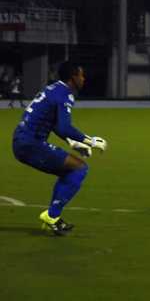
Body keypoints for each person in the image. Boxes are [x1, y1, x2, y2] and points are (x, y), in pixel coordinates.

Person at [12, 62, 107, 236]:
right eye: (81, 75)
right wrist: (90, 141)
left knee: (70, 170)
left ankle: (53, 217)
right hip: (30, 144)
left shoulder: (53, 89)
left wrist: (74, 143)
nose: (83, 78)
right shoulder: (65, 94)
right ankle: (52, 216)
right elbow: (64, 127)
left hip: (24, 141)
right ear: (73, 77)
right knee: (80, 168)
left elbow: (53, 123)